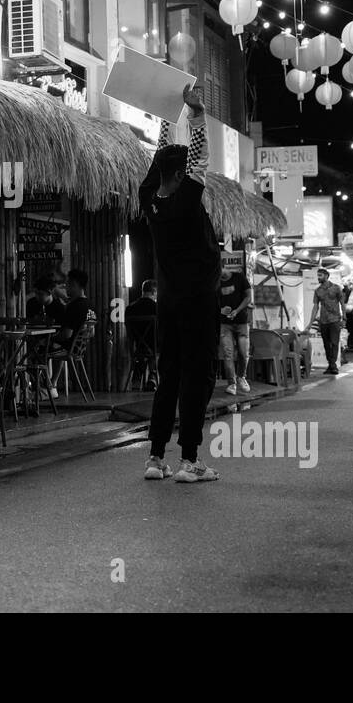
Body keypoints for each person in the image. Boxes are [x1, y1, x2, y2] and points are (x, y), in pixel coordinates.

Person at [139, 83, 222, 483]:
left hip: (168, 304)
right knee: (197, 377)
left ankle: (156, 458)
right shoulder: (188, 200)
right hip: (199, 302)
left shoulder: (148, 199)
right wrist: (196, 114)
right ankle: (190, 460)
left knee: (167, 377)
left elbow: (161, 162)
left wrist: (166, 117)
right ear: (181, 173)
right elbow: (200, 157)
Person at [219, 264, 252, 395]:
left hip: (242, 322)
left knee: (244, 353)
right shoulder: (215, 282)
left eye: (220, 270)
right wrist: (220, 310)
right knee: (228, 354)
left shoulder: (239, 278)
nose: (220, 274)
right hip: (224, 324)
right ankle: (231, 383)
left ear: (225, 267)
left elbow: (248, 297)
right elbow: (210, 302)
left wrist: (237, 311)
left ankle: (241, 377)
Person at [307, 268, 344, 375]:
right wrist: (310, 323)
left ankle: (333, 365)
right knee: (326, 344)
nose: (318, 278)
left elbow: (342, 303)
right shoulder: (318, 291)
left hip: (335, 320)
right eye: (318, 275)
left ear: (327, 276)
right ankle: (331, 365)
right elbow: (315, 307)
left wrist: (344, 318)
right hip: (323, 321)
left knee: (334, 343)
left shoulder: (336, 288)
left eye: (320, 275)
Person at [56, 268, 94, 351]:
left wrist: (53, 337)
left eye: (67, 284)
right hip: (80, 349)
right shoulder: (90, 305)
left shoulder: (74, 306)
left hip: (67, 348)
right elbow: (92, 332)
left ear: (74, 284)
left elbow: (67, 334)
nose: (65, 288)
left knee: (40, 346)